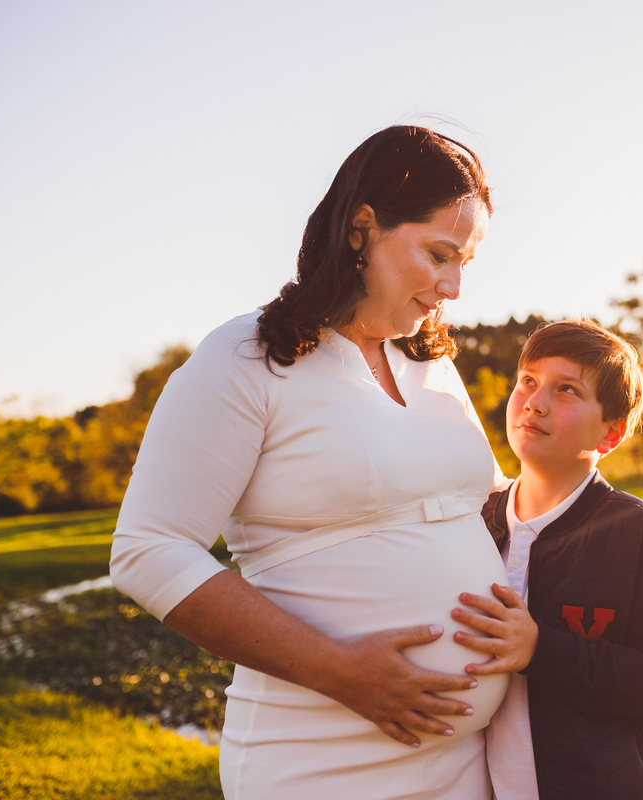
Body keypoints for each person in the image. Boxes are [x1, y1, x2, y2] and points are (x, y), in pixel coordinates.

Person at [109, 126, 512, 799]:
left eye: (466, 260)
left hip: (465, 766)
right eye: (440, 254)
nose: (455, 285)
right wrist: (338, 669)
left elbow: (488, 508)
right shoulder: (245, 357)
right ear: (362, 229)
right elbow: (148, 549)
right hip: (316, 762)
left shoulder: (432, 363)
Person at [449, 319, 643, 800]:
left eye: (567, 390)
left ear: (611, 432)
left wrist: (539, 648)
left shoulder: (640, 531)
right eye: (528, 380)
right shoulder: (474, 518)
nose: (535, 401)